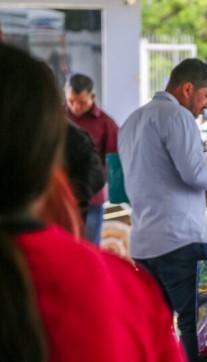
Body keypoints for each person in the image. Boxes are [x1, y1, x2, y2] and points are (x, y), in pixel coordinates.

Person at [0, 42, 183, 362]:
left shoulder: (103, 126)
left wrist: (82, 193)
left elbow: (106, 165)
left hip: (89, 204)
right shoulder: (120, 289)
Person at [119, 58, 207, 362]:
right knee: (198, 323)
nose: (206, 106)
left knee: (155, 326)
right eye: (205, 96)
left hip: (143, 243)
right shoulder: (177, 116)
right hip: (179, 240)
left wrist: (197, 195)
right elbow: (194, 172)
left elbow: (151, 179)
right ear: (187, 88)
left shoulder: (132, 121)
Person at [65, 73, 118, 244]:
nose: (75, 107)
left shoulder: (106, 123)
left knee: (89, 249)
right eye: (71, 101)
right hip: (62, 199)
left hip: (92, 199)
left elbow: (115, 160)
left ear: (92, 97)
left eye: (81, 102)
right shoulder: (56, 119)